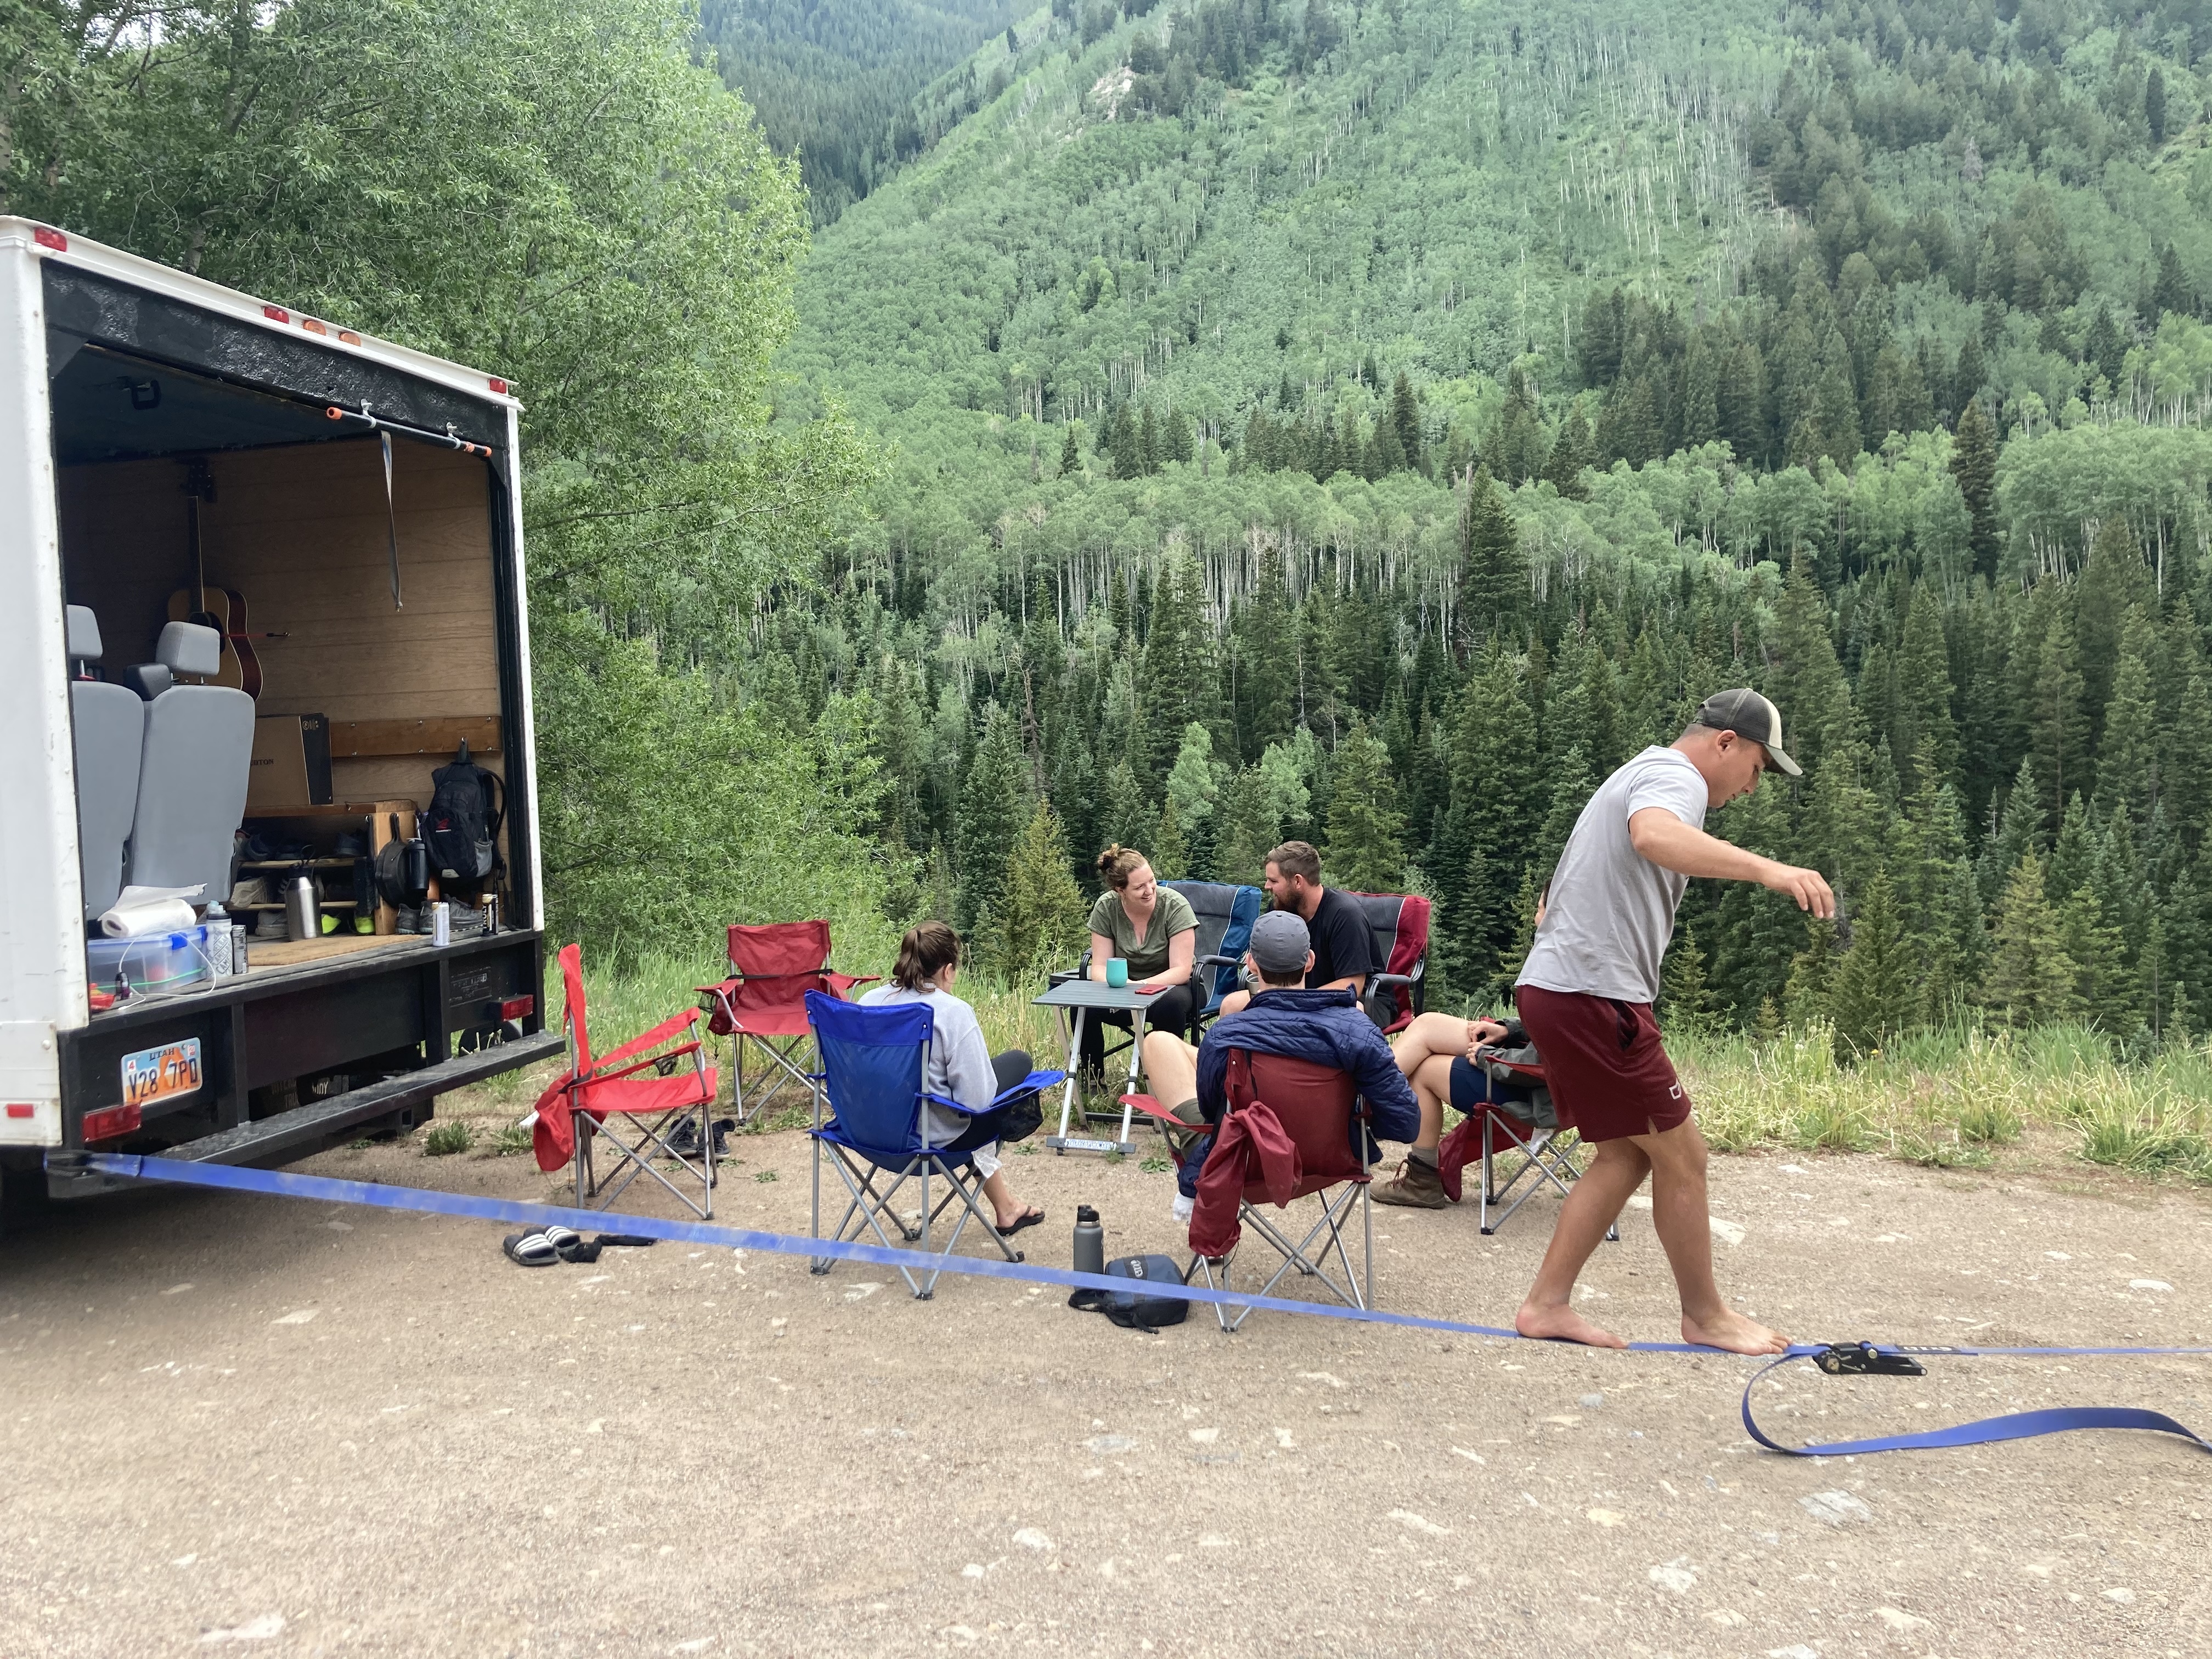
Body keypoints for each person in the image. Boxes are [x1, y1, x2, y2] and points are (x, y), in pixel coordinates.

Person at [1512, 689, 1833, 1355]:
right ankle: (1706, 1316)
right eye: (1757, 768)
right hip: (1593, 995)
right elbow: (1653, 836)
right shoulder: (1674, 776)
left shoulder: (1645, 770)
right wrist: (1769, 870)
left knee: (1628, 1155)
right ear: (1725, 743)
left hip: (1565, 989)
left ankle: (1546, 1304)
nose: (1754, 787)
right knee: (1684, 1156)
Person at [1139, 910, 1419, 1221]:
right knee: (1171, 1046)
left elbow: (1210, 1107)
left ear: (1251, 965)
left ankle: (1209, 1190)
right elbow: (1405, 1122)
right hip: (1330, 1159)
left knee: (1158, 1042)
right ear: (1310, 962)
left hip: (1244, 1160)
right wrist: (1352, 1125)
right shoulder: (1358, 1030)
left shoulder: (1228, 1034)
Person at [858, 921, 1046, 1237]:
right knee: (1016, 1067)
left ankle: (1007, 1207)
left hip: (866, 1133)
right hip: (931, 1140)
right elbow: (976, 1102)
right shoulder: (951, 1012)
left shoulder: (868, 1003)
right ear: (947, 970)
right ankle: (1008, 1208)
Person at [1373, 884, 1550, 1207]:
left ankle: (1420, 1177)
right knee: (1426, 1024)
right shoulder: (1586, 968)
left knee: (1424, 1072)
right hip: (1536, 1069)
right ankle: (1362, 1100)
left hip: (1536, 1088)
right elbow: (1550, 1034)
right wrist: (1505, 1029)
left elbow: (1549, 1059)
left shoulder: (1563, 976)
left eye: (1540, 910)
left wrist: (1489, 1056)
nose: (1536, 919)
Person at [1080, 845, 1203, 1075]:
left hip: (1173, 987)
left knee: (1171, 1004)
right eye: (1139, 887)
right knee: (1084, 1005)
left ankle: (1166, 1080)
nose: (1150, 890)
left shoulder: (1175, 906)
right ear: (1120, 890)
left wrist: (1140, 987)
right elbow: (1099, 966)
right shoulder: (1106, 908)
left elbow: (1182, 970)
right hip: (1123, 988)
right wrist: (1119, 986)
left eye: (1152, 881)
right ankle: (1092, 1076)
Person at [1215, 840, 1373, 1017]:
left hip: (1350, 1003)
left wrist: (1298, 1001)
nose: (1267, 886)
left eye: (1273, 880)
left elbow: (1354, 985)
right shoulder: (1279, 909)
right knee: (1231, 1006)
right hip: (1292, 995)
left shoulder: (1345, 915)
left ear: (1298, 881)